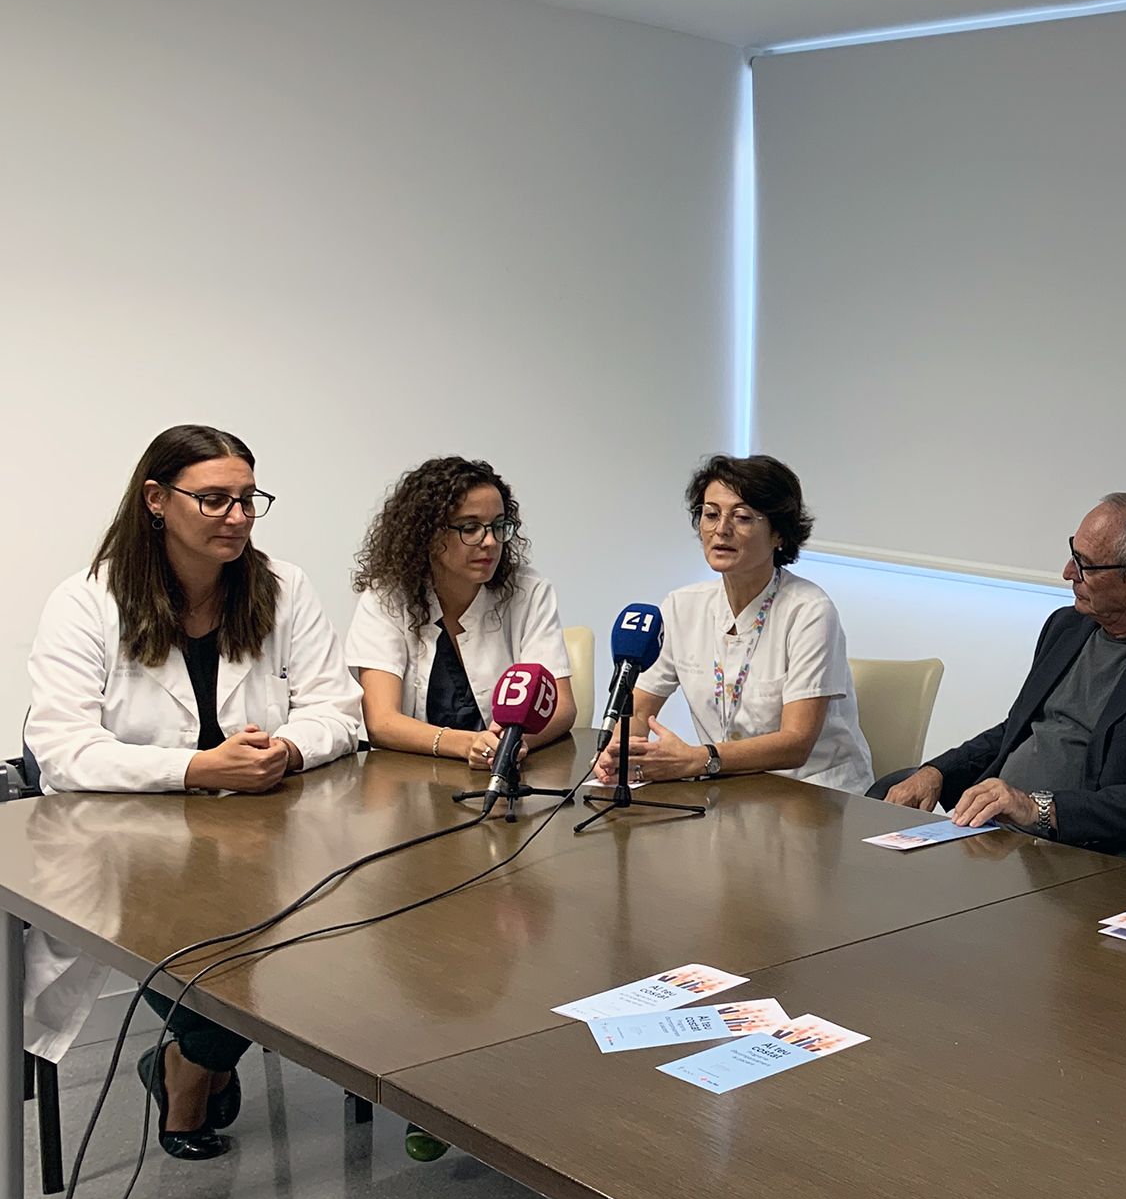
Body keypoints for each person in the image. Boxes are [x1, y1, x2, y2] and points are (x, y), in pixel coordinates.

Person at [25, 424, 363, 1160]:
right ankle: (188, 1081)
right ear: (156, 499)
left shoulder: (283, 588)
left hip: (264, 832)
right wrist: (198, 768)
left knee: (313, 939)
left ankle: (183, 1064)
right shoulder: (86, 601)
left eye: (248, 499)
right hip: (128, 845)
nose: (237, 517)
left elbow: (338, 709)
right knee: (222, 962)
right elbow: (62, 747)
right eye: (214, 500)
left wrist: (286, 748)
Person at [879, 493, 1126, 855]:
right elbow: (1015, 731)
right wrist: (937, 773)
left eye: (1086, 565)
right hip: (996, 836)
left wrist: (1037, 809)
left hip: (1090, 856)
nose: (1068, 572)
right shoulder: (1067, 626)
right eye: (1073, 554)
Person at [593, 454, 871, 792]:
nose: (721, 529)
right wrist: (619, 750)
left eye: (741, 517)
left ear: (778, 533)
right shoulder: (682, 607)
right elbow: (638, 710)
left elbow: (796, 742)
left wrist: (697, 759)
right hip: (727, 789)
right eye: (711, 514)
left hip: (814, 791)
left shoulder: (809, 611)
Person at [347, 456, 576, 767]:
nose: (490, 542)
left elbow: (561, 706)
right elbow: (382, 722)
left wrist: (509, 744)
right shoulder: (386, 598)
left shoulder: (529, 592)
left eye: (498, 526)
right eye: (470, 528)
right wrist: (468, 744)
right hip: (415, 774)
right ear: (427, 534)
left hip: (508, 770)